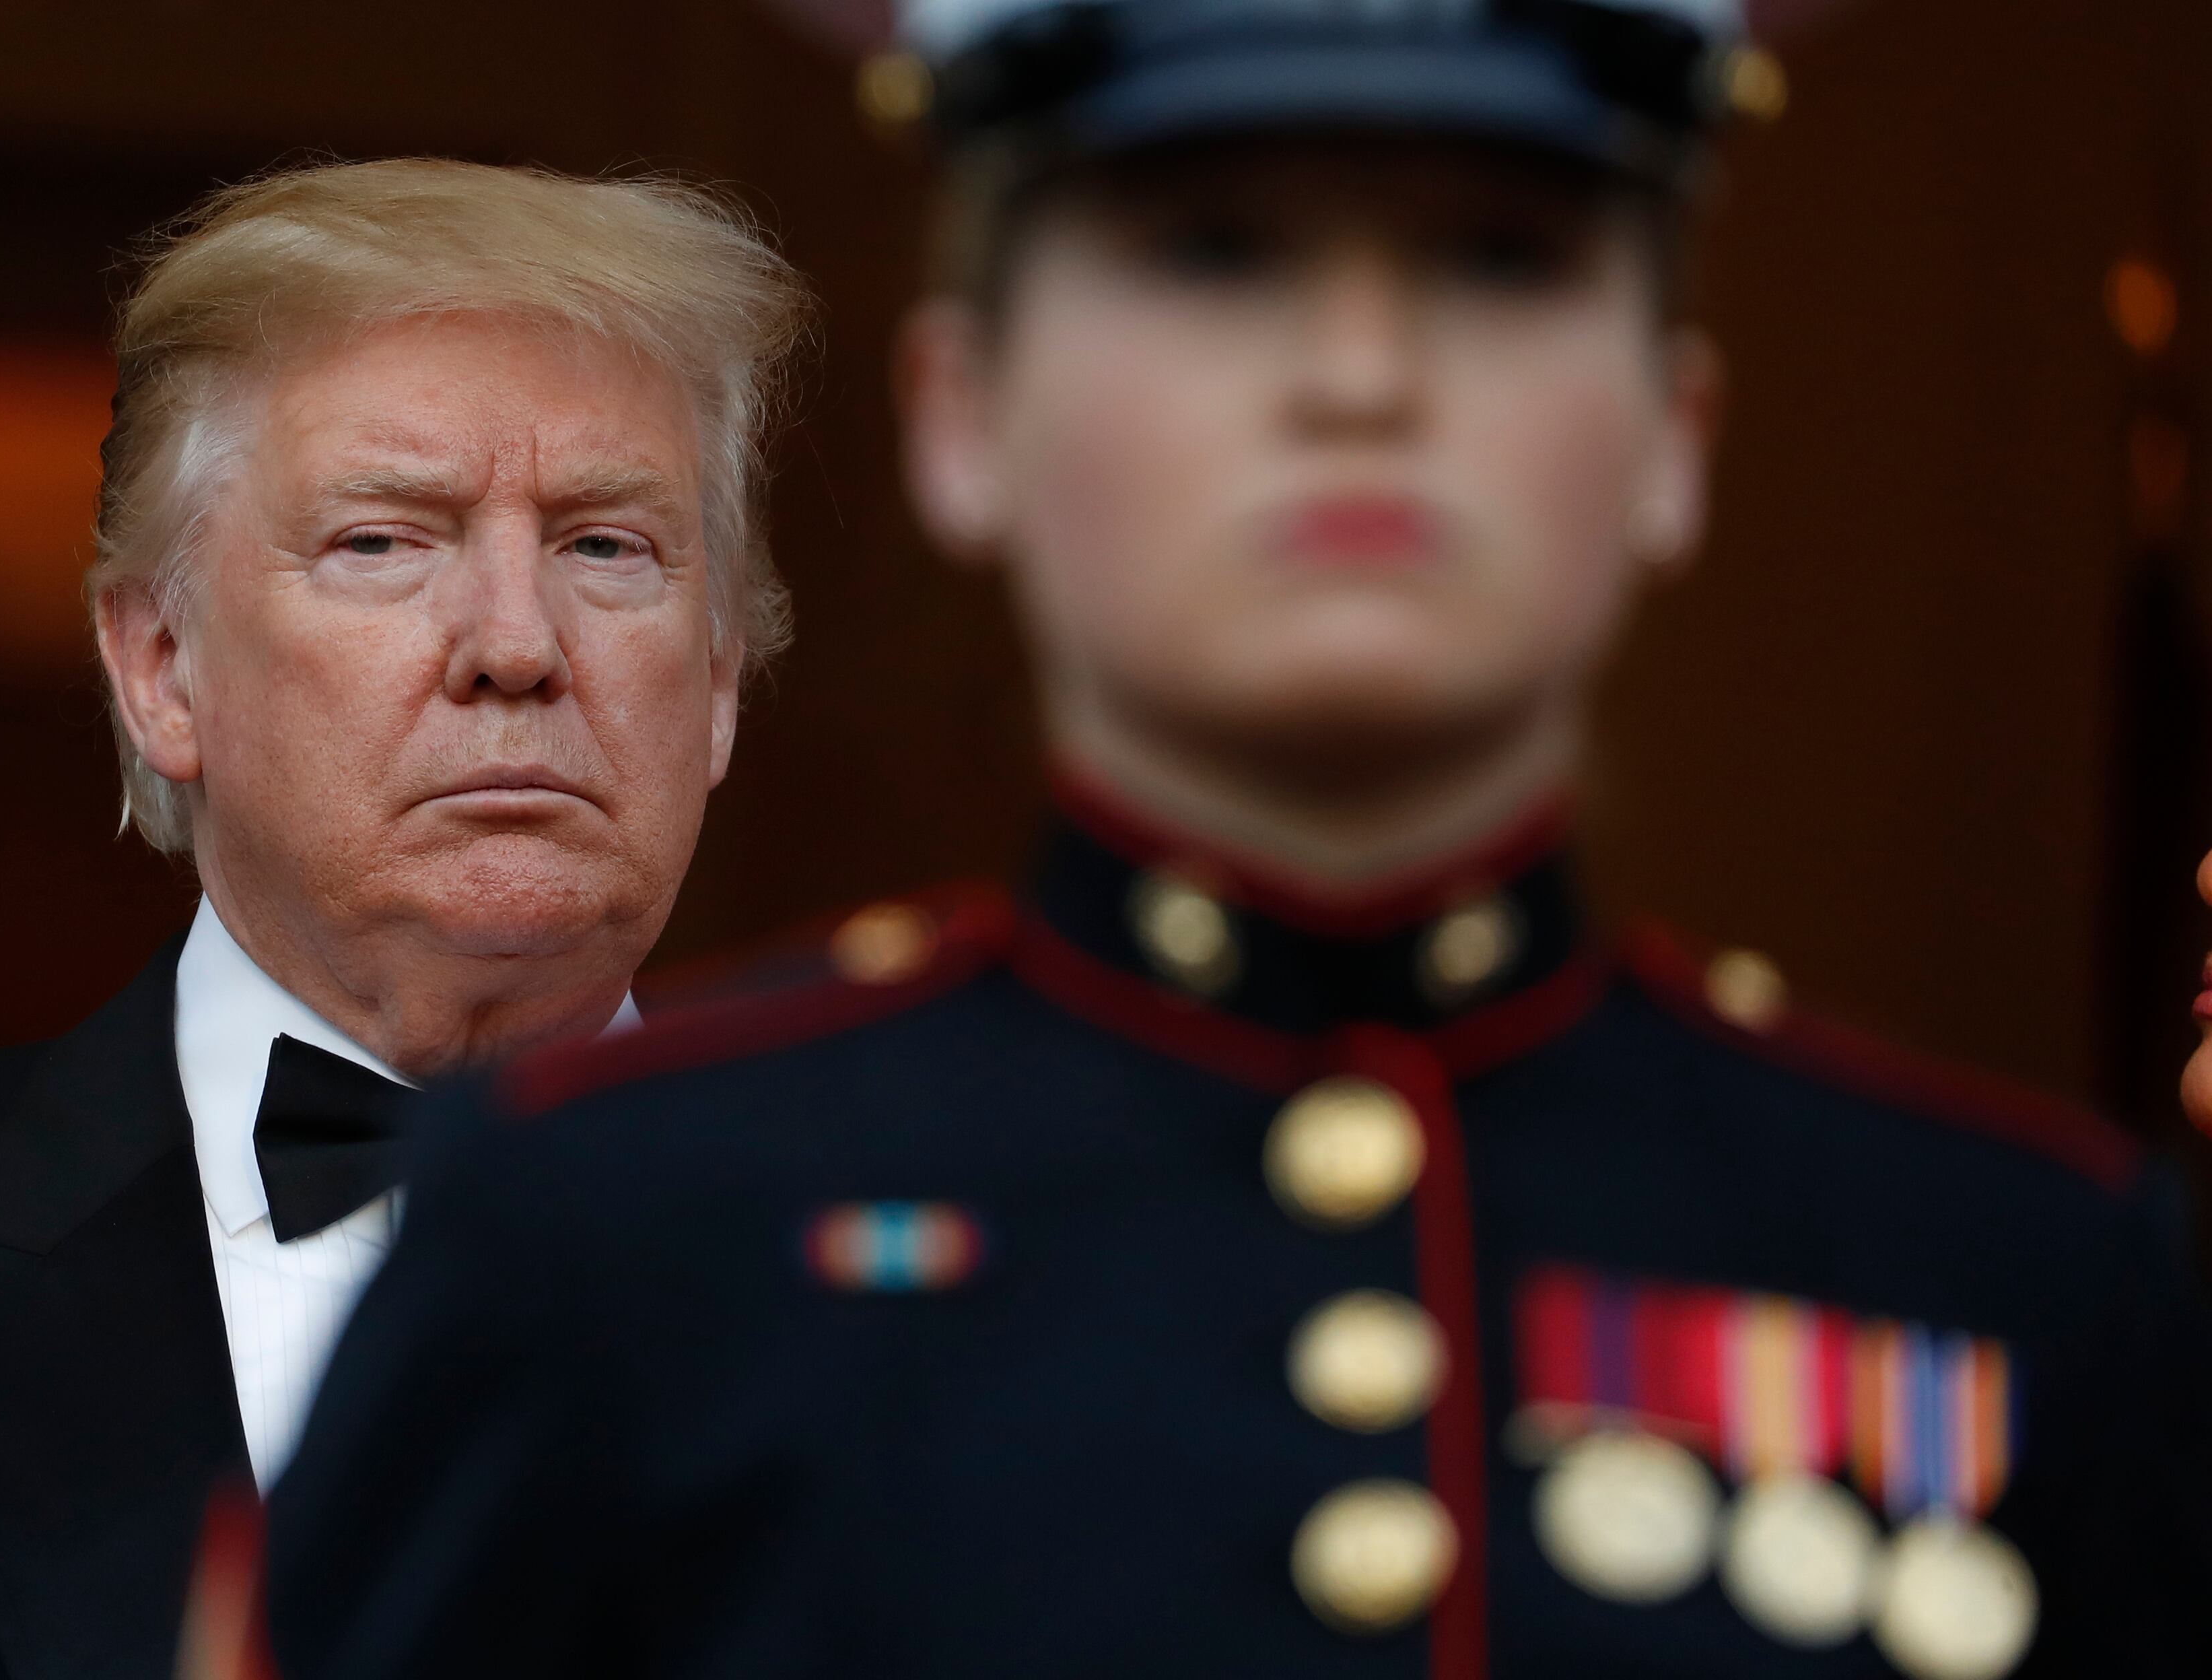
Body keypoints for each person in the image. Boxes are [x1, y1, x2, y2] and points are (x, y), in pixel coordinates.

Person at [268, 8, 2212, 1678]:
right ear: (967, 414)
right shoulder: (606, 1236)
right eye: (1211, 253)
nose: (1359, 376)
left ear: (1675, 432)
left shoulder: (2028, 1278)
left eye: (1502, 259)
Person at [0, 158, 807, 1679]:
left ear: (716, 685)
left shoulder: (988, 1286)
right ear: (163, 670)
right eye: (384, 541)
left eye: (606, 546)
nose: (517, 645)